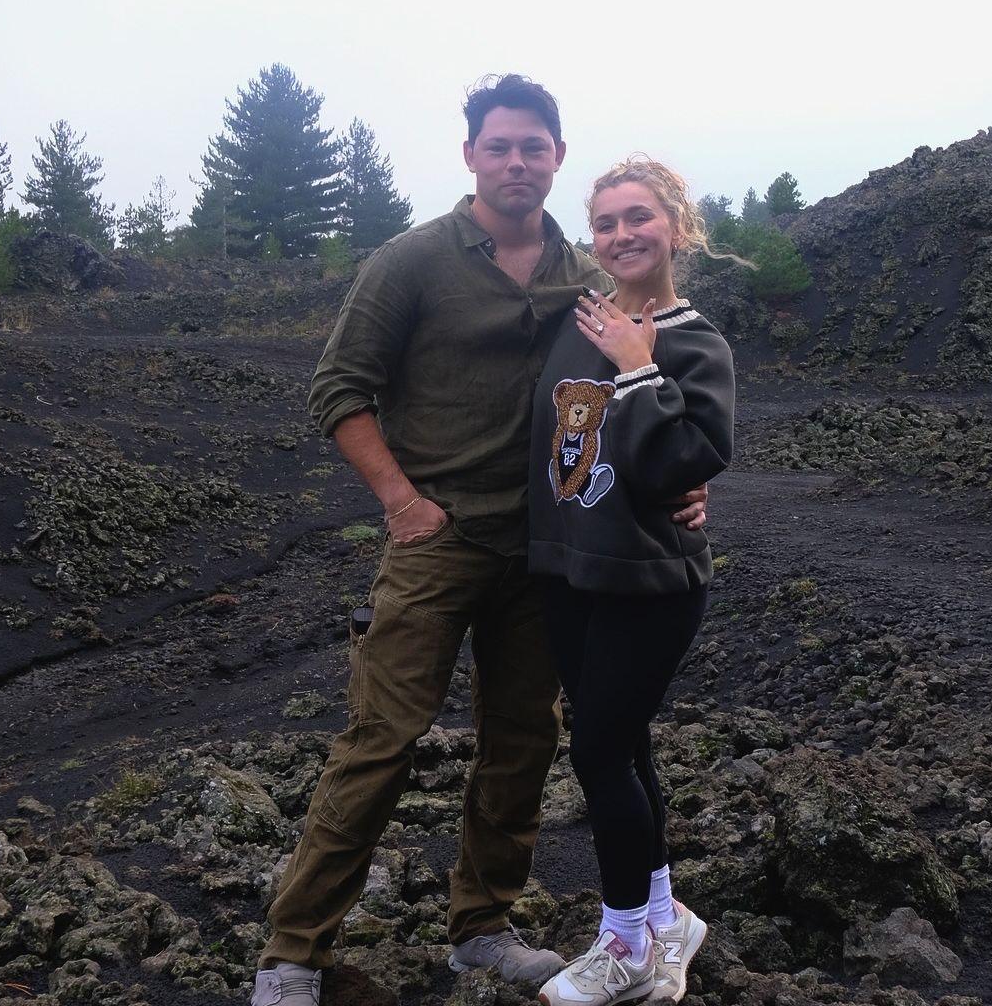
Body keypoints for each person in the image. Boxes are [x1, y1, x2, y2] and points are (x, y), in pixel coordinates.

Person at [253, 79, 707, 1006]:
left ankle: (483, 929)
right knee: (381, 739)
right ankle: (294, 955)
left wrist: (685, 479)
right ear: (470, 156)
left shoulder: (582, 278)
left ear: (557, 157)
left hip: (545, 552)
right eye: (498, 147)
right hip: (437, 541)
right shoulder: (411, 262)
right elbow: (337, 388)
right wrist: (401, 503)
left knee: (523, 741)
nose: (515, 163)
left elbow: (630, 395)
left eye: (533, 147)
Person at [529, 158, 735, 1006]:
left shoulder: (695, 341)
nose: (622, 235)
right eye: (607, 222)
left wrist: (641, 369)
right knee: (625, 743)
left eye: (639, 217)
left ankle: (624, 949)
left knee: (599, 752)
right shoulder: (576, 321)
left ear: (676, 228)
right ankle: (662, 918)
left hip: (650, 582)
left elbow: (688, 460)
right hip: (569, 571)